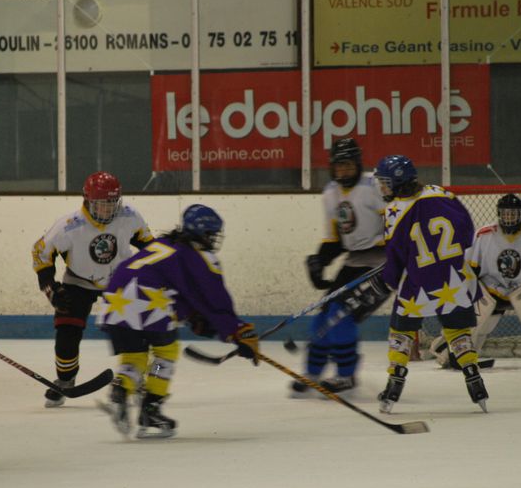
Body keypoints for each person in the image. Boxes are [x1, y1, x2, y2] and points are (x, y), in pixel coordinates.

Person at [97, 204, 259, 439]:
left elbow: (177, 286)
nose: (213, 240)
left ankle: (121, 390)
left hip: (115, 300)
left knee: (134, 357)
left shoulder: (162, 244)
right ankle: (150, 410)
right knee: (165, 355)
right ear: (202, 234)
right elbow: (214, 298)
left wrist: (193, 316)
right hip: (148, 304)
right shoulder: (200, 256)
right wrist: (237, 330)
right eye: (211, 234)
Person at [375, 154, 487, 413]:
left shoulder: (395, 211)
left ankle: (395, 383)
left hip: (419, 284)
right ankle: (473, 377)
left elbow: (395, 257)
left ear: (397, 183)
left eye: (385, 182)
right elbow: (466, 230)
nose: (382, 188)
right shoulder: (441, 193)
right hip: (454, 277)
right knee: (457, 331)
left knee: (401, 332)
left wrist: (389, 279)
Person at [32, 172, 153, 408]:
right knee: (67, 330)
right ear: (87, 200)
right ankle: (66, 380)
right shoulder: (69, 225)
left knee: (137, 331)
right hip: (79, 281)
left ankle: (138, 376)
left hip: (121, 280)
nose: (108, 209)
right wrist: (51, 289)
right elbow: (41, 253)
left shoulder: (129, 215)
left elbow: (150, 246)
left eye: (112, 203)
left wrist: (159, 275)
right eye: (101, 203)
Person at [428, 193, 521, 367]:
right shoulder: (483, 235)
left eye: (513, 214)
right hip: (491, 292)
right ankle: (449, 351)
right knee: (472, 321)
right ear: (499, 213)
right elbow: (469, 270)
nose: (509, 218)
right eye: (506, 213)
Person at [293, 137, 391, 397]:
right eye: (339, 167)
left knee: (340, 314)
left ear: (357, 164)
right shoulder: (330, 193)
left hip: (382, 263)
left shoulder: (374, 186)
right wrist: (320, 260)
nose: (343, 171)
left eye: (348, 166)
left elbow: (396, 222)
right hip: (354, 261)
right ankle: (313, 372)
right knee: (323, 314)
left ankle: (346, 376)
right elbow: (335, 239)